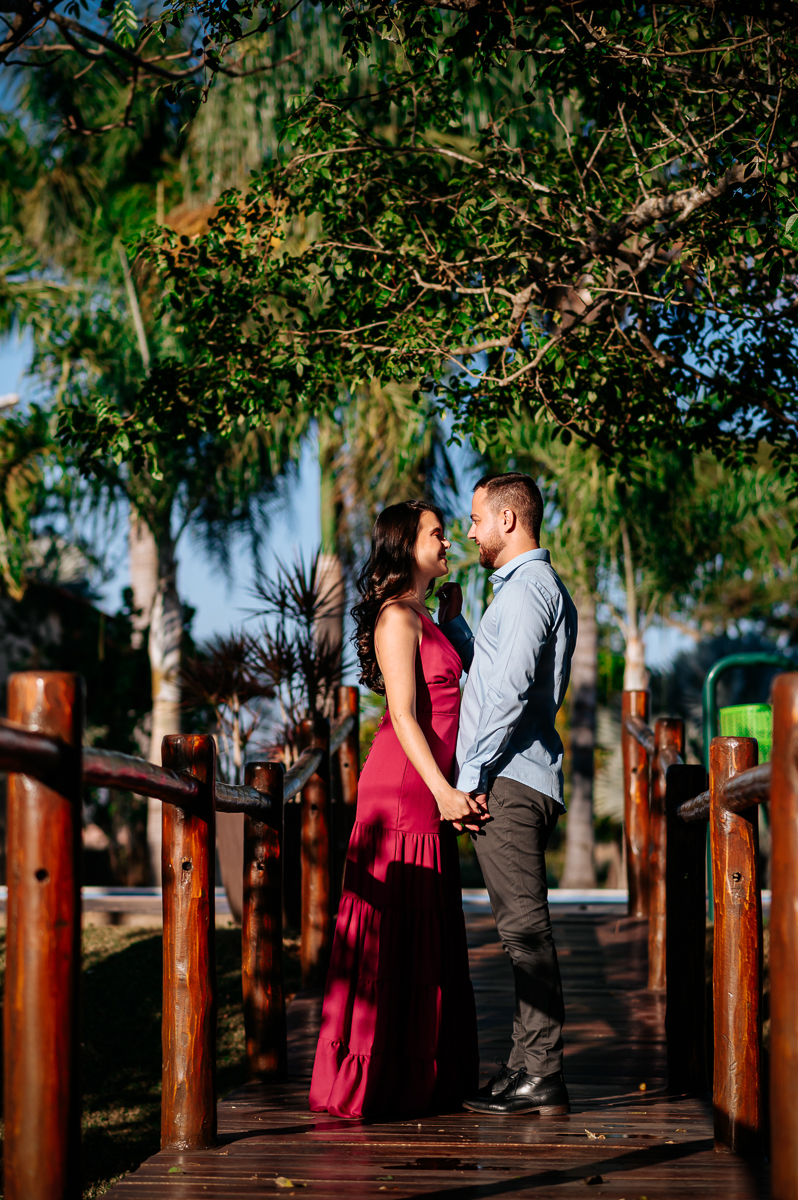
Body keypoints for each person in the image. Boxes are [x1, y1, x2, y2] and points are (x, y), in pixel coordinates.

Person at [309, 500, 482, 1120]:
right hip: (404, 789)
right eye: (437, 533)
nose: (449, 539)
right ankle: (374, 1079)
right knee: (394, 927)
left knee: (423, 925)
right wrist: (441, 791)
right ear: (407, 545)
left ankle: (423, 1071)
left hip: (425, 784)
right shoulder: (395, 619)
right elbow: (405, 716)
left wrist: (455, 618)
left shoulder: (424, 615)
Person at [438, 472, 578, 1117]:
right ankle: (523, 1066)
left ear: (508, 520)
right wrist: (462, 629)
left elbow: (509, 694)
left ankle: (542, 1072)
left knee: (525, 932)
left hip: (512, 780)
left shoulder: (528, 592)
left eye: (474, 520)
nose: (468, 532)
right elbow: (496, 675)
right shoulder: (526, 592)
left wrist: (470, 778)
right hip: (518, 773)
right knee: (519, 931)